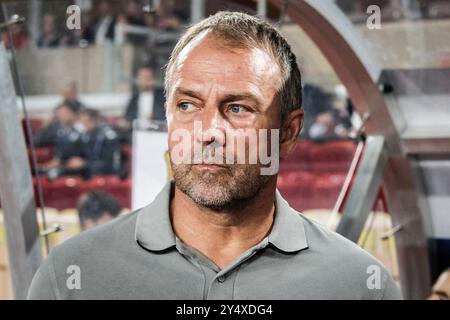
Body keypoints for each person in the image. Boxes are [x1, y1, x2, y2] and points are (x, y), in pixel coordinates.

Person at [28, 12, 402, 300]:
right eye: (188, 104)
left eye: (238, 108)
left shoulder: (360, 285)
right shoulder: (70, 276)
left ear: (288, 132)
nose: (208, 131)